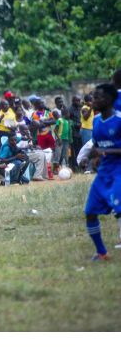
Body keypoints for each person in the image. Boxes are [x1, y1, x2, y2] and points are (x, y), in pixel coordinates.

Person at [84, 83, 121, 261]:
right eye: (93, 97)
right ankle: (101, 252)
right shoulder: (96, 122)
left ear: (110, 99)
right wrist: (93, 156)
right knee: (90, 212)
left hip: (119, 172)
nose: (94, 100)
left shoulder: (119, 120)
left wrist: (105, 152)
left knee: (119, 208)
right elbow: (98, 146)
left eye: (98, 97)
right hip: (104, 173)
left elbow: (106, 149)